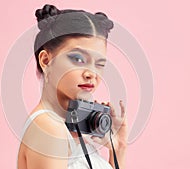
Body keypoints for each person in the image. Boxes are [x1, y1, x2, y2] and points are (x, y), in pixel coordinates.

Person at [17, 4, 128, 169]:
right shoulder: (50, 130)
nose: (91, 73)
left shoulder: (67, 127)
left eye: (99, 64)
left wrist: (118, 148)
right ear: (46, 61)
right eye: (78, 59)